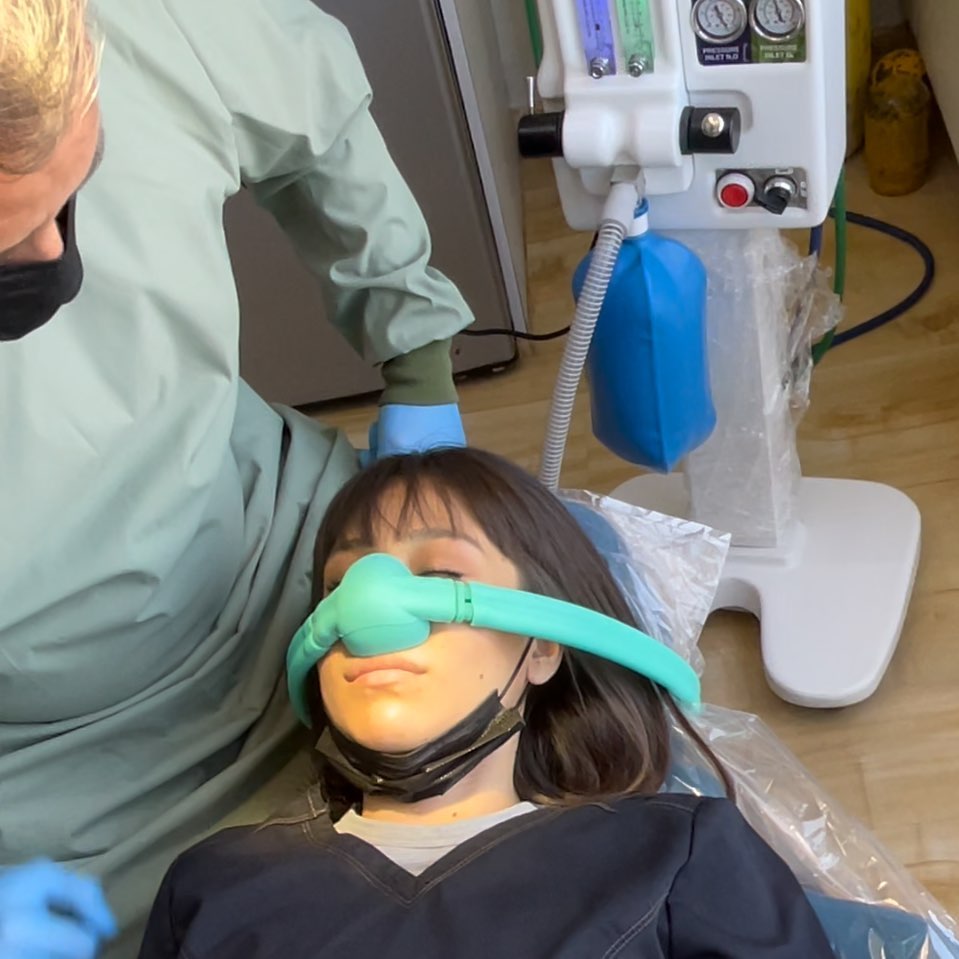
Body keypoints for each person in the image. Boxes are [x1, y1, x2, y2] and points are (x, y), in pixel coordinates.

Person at [0, 0, 474, 952]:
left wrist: (416, 360)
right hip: (40, 770)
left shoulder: (132, 22)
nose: (55, 255)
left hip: (269, 549)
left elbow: (312, 106)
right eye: (8, 245)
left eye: (75, 191)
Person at [136, 448, 835, 958]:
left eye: (439, 575)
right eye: (341, 586)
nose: (371, 614)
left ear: (542, 647)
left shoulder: (675, 854)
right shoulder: (214, 887)